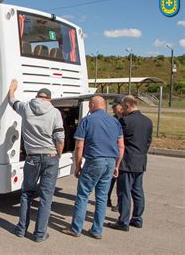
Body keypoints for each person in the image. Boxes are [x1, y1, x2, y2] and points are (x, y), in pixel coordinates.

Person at [8, 79, 65, 243]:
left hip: (32, 157)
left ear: (37, 97)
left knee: (27, 193)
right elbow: (60, 138)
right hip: (50, 157)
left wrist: (12, 89)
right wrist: (58, 154)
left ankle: (20, 229)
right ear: (49, 99)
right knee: (46, 196)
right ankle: (39, 234)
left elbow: (12, 100)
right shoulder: (55, 112)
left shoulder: (26, 107)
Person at [62, 96, 124, 239]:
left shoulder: (87, 120)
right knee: (101, 197)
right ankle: (97, 230)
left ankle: (76, 228)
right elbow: (121, 146)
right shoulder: (115, 121)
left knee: (83, 195)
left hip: (94, 160)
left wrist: (78, 165)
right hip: (110, 161)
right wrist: (117, 165)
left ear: (91, 105)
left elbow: (79, 145)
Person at [106, 96, 153, 231]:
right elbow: (148, 141)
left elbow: (118, 141)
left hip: (127, 161)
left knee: (124, 192)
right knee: (137, 191)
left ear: (127, 106)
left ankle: (123, 221)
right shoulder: (148, 121)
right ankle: (137, 218)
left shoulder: (125, 121)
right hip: (140, 160)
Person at [107, 99, 124, 212]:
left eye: (115, 106)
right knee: (110, 179)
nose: (113, 108)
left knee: (121, 181)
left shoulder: (126, 120)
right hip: (113, 152)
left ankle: (119, 203)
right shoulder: (113, 119)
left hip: (123, 154)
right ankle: (106, 198)